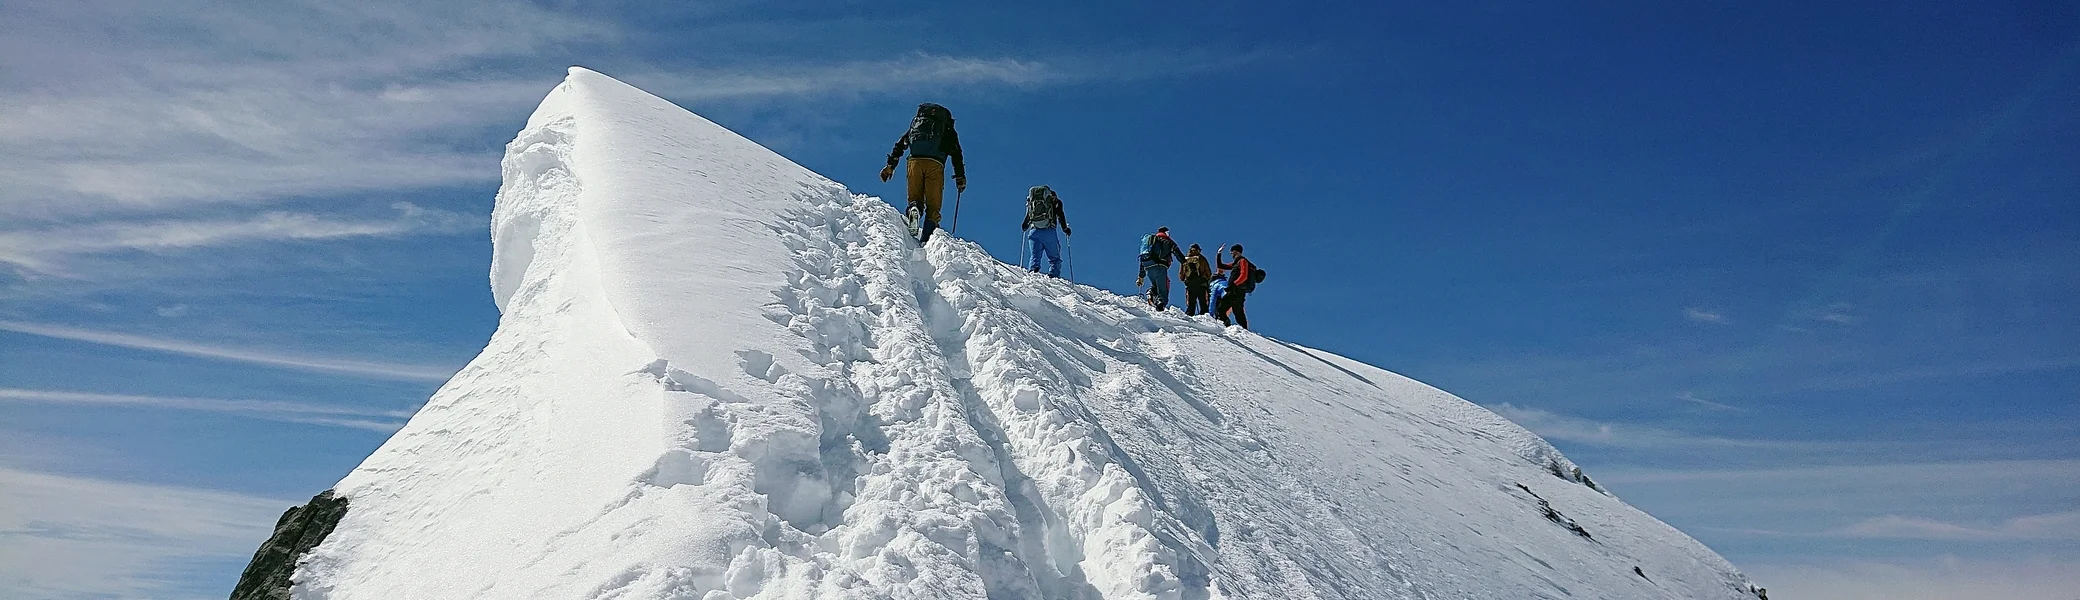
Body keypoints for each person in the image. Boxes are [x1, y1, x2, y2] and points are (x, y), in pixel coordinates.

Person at [879, 102, 966, 244]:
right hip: (935, 165)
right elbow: (957, 154)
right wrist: (960, 178)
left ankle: (915, 209)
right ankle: (926, 239)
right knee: (933, 206)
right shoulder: (948, 129)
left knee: (915, 198)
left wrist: (890, 166)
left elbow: (901, 144)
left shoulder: (917, 125)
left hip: (914, 162)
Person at [1021, 185, 1070, 277]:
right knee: (1054, 258)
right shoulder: (1055, 201)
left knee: (1035, 256)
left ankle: (1033, 273)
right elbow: (1060, 215)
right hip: (1049, 231)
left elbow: (1028, 216)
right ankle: (1053, 276)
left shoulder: (1033, 202)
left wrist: (1024, 226)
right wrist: (1065, 229)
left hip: (1034, 231)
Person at [1136, 227, 1188, 311]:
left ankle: (1151, 292)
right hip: (1160, 267)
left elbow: (1143, 259)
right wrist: (1184, 262)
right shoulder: (1167, 241)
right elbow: (1176, 251)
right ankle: (1160, 305)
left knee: (1156, 285)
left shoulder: (1150, 242)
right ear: (1166, 233)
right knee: (1163, 289)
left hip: (1148, 267)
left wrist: (1141, 276)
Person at [1215, 243, 1256, 329]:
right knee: (1222, 309)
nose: (1231, 254)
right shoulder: (1235, 263)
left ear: (1236, 252)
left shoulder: (1242, 261)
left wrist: (1234, 285)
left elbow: (1243, 275)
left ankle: (1244, 331)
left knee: (1237, 312)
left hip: (1238, 291)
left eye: (1232, 252)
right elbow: (1221, 266)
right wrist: (1219, 254)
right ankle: (1228, 327)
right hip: (1232, 290)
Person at [1179, 244, 1213, 315]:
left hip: (1190, 284)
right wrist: (1205, 279)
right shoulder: (1202, 258)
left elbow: (1181, 276)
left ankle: (1190, 318)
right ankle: (1205, 319)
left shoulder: (1185, 259)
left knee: (1191, 304)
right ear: (1198, 250)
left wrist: (1185, 279)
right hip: (1201, 284)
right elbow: (1208, 273)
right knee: (1203, 304)